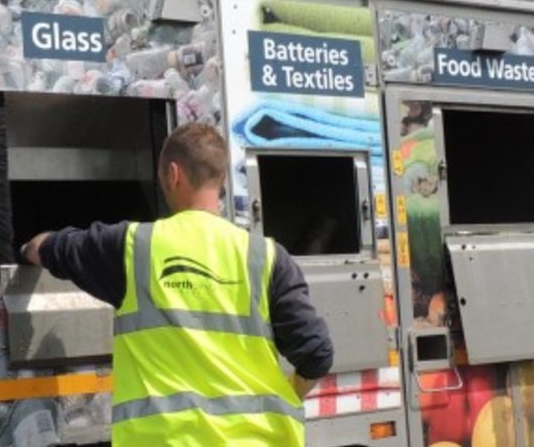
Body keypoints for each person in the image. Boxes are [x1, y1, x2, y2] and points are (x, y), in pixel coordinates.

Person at [21, 121, 333, 445]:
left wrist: (25, 248)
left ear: (173, 174)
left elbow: (50, 249)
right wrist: (285, 397)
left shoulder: (133, 247)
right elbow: (318, 355)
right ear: (221, 179)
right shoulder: (266, 257)